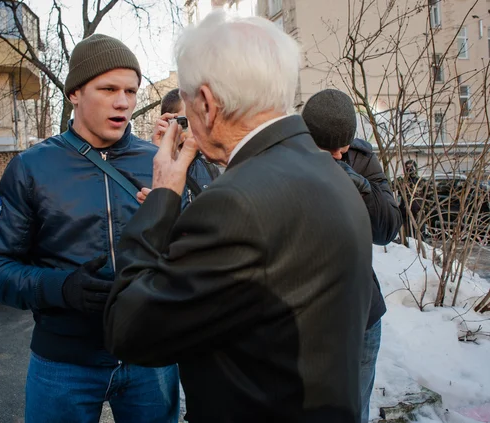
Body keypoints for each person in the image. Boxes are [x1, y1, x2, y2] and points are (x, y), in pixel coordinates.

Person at [104, 11, 373, 423]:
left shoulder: (234, 204)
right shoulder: (329, 171)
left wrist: (161, 199)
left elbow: (128, 328)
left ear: (207, 104)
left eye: (188, 105)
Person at [0, 34, 182, 423]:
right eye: (108, 89)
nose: (123, 101)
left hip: (150, 355)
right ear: (74, 93)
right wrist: (60, 288)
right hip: (64, 363)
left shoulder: (157, 162)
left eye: (131, 91)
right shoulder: (32, 167)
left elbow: (189, 251)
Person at [301, 89, 403, 423]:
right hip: (304, 321)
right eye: (326, 147)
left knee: (353, 413)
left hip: (361, 316)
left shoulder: (360, 158)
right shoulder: (285, 159)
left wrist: (354, 182)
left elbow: (387, 228)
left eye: (341, 145)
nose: (337, 153)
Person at [155, 88, 220, 199]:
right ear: (169, 122)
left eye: (201, 117)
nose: (198, 124)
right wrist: (157, 152)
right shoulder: (149, 164)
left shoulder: (210, 168)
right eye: (189, 118)